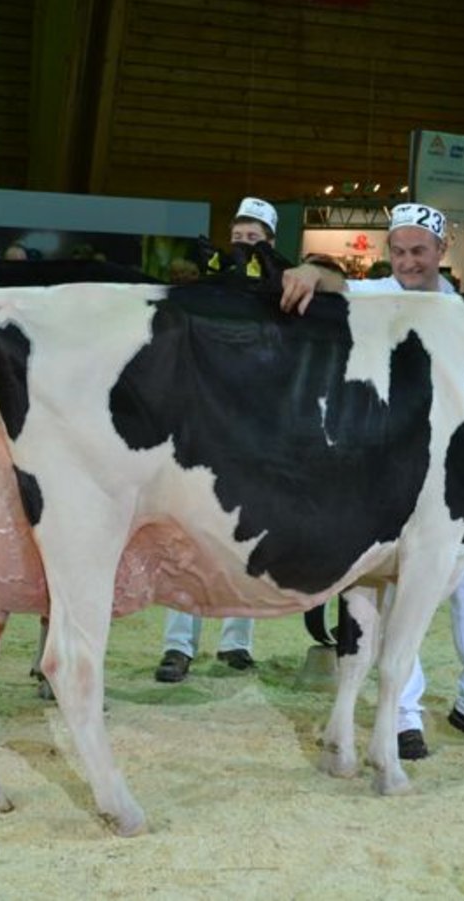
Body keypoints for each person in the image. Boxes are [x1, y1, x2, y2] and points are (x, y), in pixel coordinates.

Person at [279, 203, 464, 760]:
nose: (409, 262)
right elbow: (334, 285)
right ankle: (405, 719)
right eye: (399, 252)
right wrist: (314, 271)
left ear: (443, 250)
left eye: (419, 252)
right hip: (394, 485)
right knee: (400, 602)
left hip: (463, 485)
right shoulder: (376, 296)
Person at [153, 196, 278, 683]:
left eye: (254, 240)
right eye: (238, 239)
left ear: (270, 244)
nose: (244, 248)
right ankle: (178, 646)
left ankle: (236, 642)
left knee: (247, 536)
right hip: (202, 426)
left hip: (260, 429)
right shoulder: (205, 294)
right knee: (187, 536)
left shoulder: (280, 295)